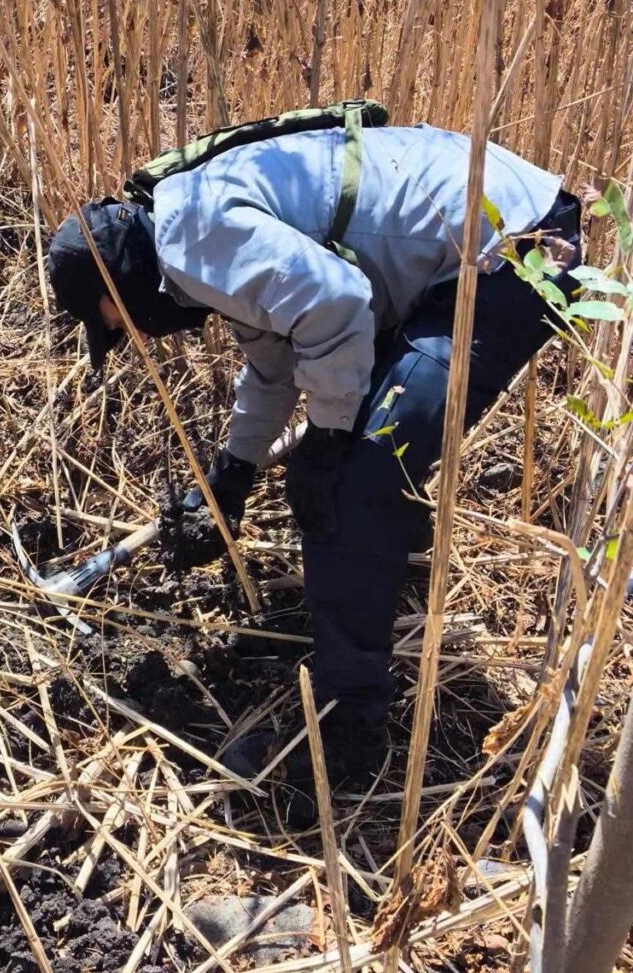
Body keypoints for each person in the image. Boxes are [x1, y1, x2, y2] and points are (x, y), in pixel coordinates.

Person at [47, 122, 581, 810]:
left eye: (115, 320)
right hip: (466, 245)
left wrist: (328, 437)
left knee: (356, 476)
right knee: (349, 452)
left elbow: (336, 304)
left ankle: (350, 727)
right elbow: (275, 363)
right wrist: (230, 475)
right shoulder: (189, 230)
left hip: (514, 248)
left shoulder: (190, 241)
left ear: (119, 277)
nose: (131, 333)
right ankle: (385, 577)